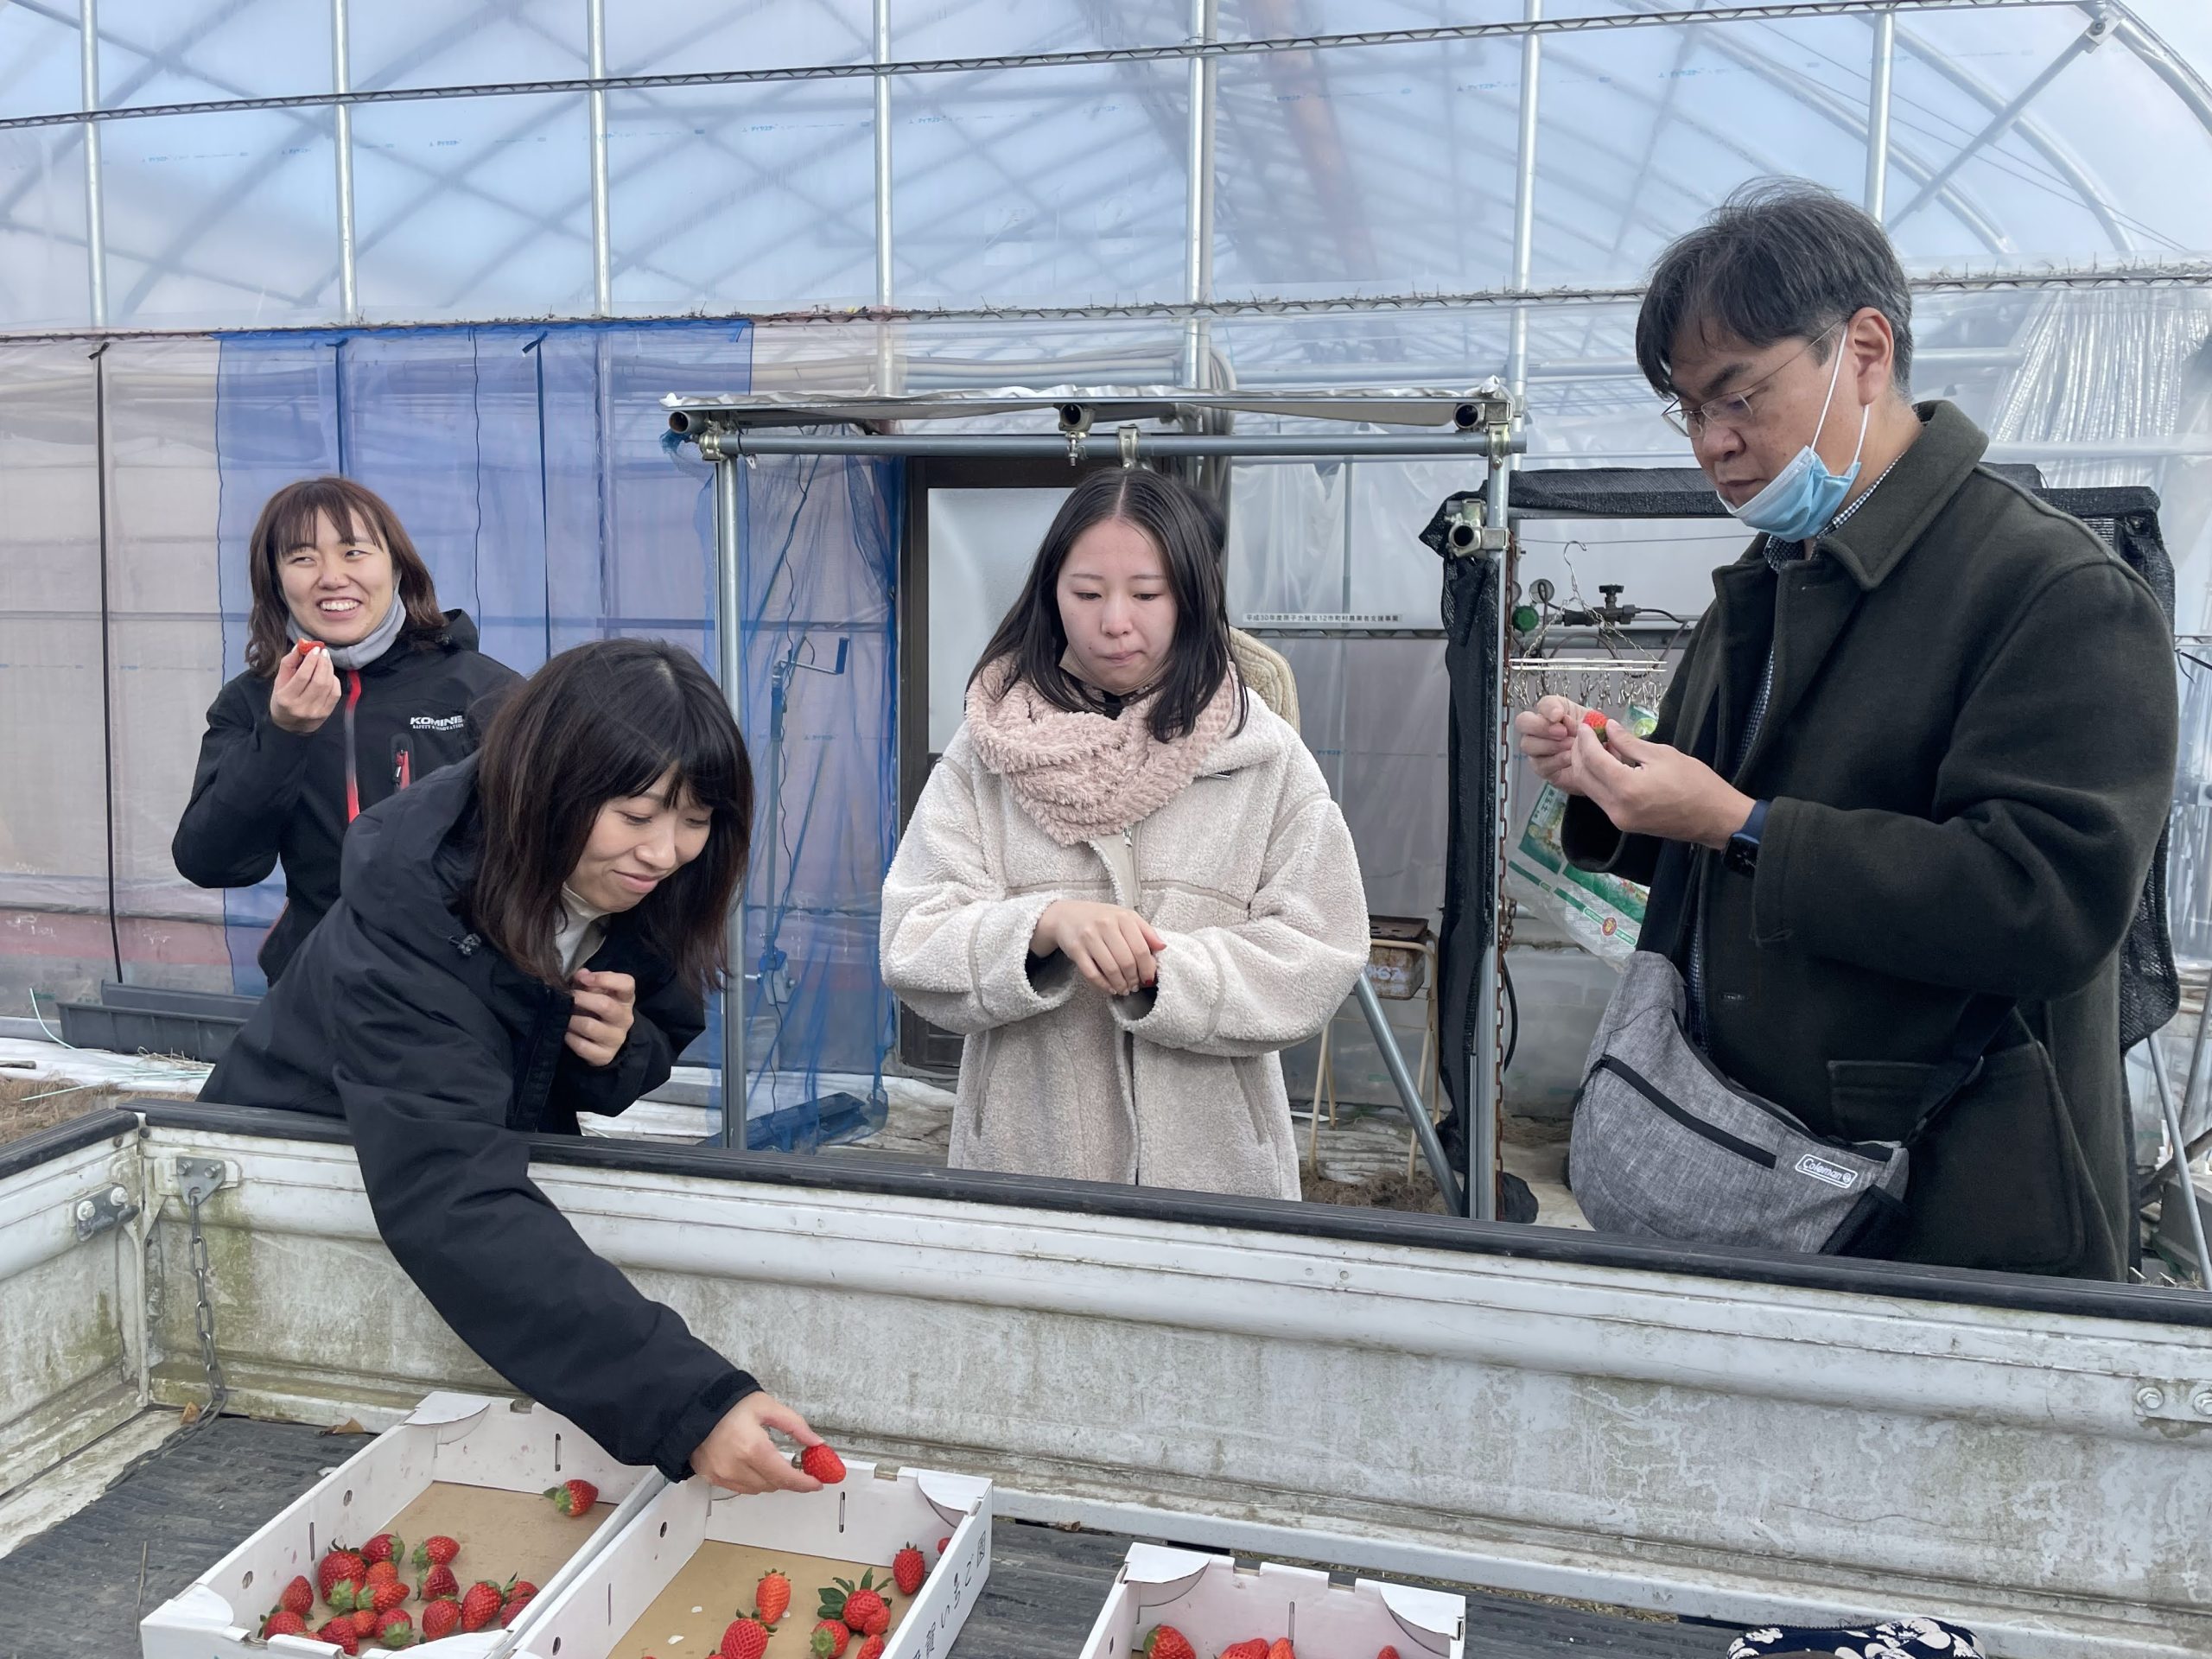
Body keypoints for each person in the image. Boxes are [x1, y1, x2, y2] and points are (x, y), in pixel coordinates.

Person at [1518, 181, 2177, 1280]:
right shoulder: (1768, 582)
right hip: (1746, 1146)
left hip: (1943, 1184)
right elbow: (1704, 808)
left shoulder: (2052, 588)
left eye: (1738, 396)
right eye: (1689, 411)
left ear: (1865, 350)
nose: (1713, 446)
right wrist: (1605, 780)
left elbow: (2047, 901)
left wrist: (1742, 825)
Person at [201, 639, 825, 1491]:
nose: (666, 850)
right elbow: (450, 1194)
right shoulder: (416, 911)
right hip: (287, 1188)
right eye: (638, 815)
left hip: (441, 1205)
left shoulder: (646, 879)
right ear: (549, 786)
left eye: (695, 818)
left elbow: (658, 1026)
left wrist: (620, 1050)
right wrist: (689, 1404)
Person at [880, 467, 1370, 1198]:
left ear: (1192, 598)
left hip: (1219, 1176)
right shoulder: (984, 753)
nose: (1115, 621)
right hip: (1025, 1166)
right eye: (1087, 593)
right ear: (1051, 594)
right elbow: (912, 938)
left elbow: (1321, 948)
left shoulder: (1260, 755)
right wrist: (1041, 927)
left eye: (1147, 594)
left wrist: (1168, 971)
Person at [174, 476, 520, 984]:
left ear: (397, 566)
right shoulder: (252, 701)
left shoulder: (480, 688)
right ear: (275, 581)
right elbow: (212, 862)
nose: (332, 577)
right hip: (314, 992)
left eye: (355, 552)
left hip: (462, 992)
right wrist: (282, 734)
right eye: (303, 559)